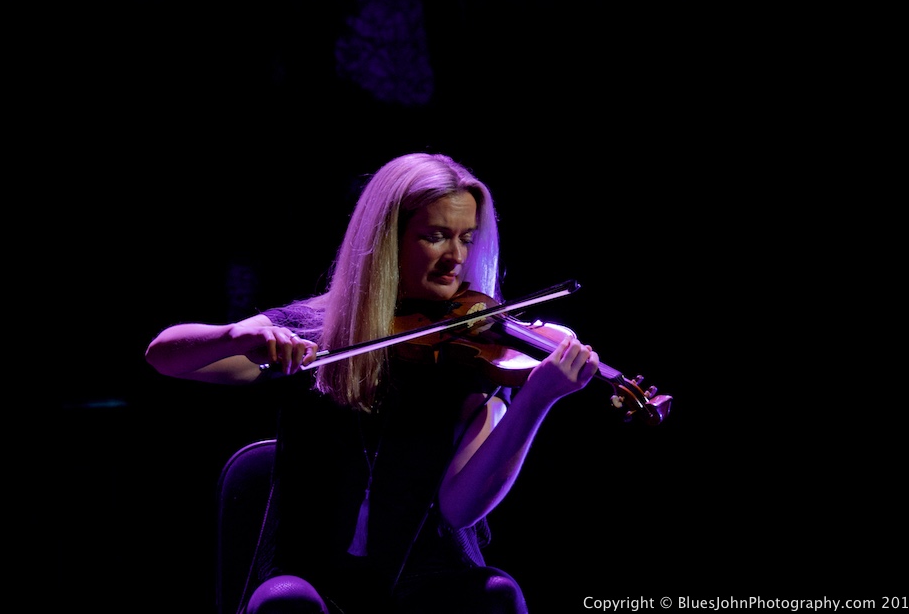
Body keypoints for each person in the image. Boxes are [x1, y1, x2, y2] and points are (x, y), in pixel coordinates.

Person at [145, 152, 601, 614]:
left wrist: (537, 399)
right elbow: (165, 356)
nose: (456, 258)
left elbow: (461, 508)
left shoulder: (476, 354)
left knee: (496, 596)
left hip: (431, 581)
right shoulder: (315, 331)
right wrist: (234, 335)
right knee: (285, 604)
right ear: (387, 239)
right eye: (435, 236)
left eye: (467, 238)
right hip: (311, 581)